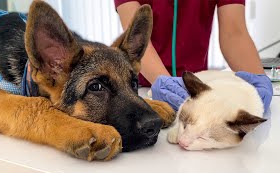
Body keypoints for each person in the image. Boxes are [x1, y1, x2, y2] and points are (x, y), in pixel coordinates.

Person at [115, 0, 273, 112]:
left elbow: (234, 33)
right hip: (144, 89)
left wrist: (258, 79)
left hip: (196, 86)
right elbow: (136, 37)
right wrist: (163, 83)